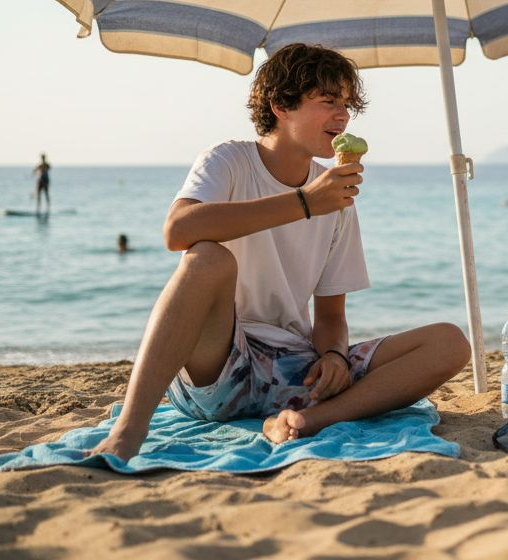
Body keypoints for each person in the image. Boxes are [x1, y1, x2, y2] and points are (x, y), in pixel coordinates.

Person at [89, 43, 470, 460]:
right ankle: (129, 430)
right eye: (327, 102)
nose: (342, 115)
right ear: (281, 106)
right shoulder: (229, 161)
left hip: (295, 375)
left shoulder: (336, 196)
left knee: (450, 342)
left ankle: (307, 421)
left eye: (346, 104)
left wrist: (333, 356)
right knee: (208, 258)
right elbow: (177, 231)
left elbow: (330, 317)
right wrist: (305, 202)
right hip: (217, 365)